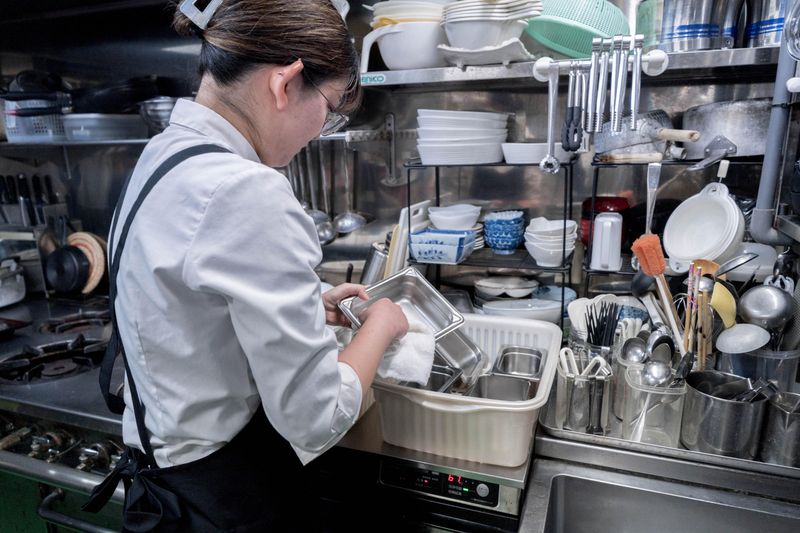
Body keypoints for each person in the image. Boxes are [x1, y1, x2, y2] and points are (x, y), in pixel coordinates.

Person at [83, 1, 409, 531]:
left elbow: (185, 305)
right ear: (286, 83)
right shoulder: (246, 189)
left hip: (166, 485)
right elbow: (315, 415)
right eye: (328, 108)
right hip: (222, 501)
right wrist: (382, 328)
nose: (319, 131)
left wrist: (305, 305)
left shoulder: (164, 154)